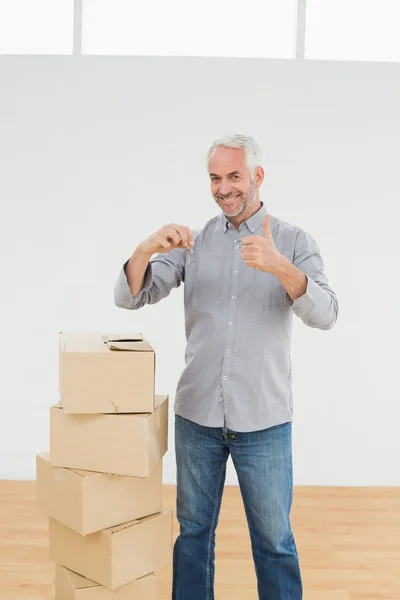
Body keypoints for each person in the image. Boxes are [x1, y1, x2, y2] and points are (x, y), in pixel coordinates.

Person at [114, 133, 339, 600]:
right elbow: (133, 296)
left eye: (234, 176)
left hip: (264, 419)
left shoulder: (294, 242)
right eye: (215, 178)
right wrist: (144, 250)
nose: (223, 188)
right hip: (197, 417)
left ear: (257, 176)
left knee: (274, 542)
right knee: (193, 536)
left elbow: (328, 314)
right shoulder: (193, 244)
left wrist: (282, 268)